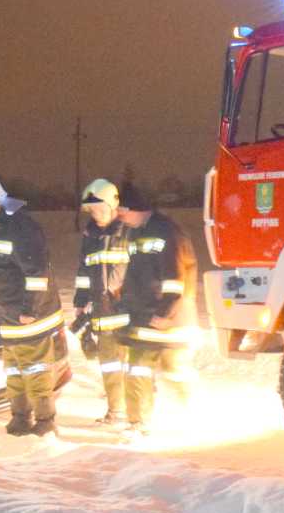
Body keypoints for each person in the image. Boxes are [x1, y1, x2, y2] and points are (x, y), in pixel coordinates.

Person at [0, 171, 67, 437]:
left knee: (37, 371)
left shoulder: (20, 227)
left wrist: (29, 310)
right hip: (6, 318)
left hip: (29, 319)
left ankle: (45, 422)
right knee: (14, 372)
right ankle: (20, 418)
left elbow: (37, 273)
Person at [115, 182, 197, 436]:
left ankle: (188, 413)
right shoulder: (135, 232)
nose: (119, 216)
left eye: (122, 210)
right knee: (137, 367)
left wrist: (164, 312)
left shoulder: (166, 232)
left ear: (136, 208)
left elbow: (175, 276)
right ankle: (138, 422)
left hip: (168, 317)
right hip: (143, 314)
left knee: (174, 370)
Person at [70, 177, 131, 425]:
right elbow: (84, 272)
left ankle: (137, 414)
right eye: (92, 210)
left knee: (133, 366)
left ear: (113, 204)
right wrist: (79, 301)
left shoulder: (130, 231)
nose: (96, 214)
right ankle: (116, 412)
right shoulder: (90, 236)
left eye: (100, 208)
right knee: (108, 364)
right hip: (103, 312)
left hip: (128, 310)